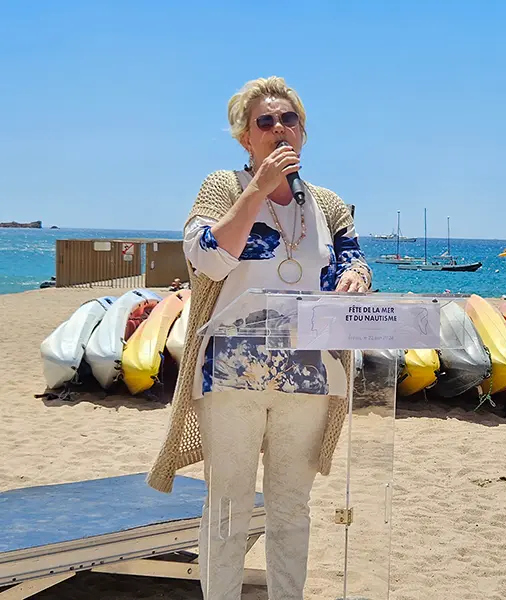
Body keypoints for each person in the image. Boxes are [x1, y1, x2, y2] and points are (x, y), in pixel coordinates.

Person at [147, 76, 372, 599]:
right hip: (230, 373)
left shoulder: (329, 204)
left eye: (288, 119)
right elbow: (207, 258)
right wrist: (255, 190)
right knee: (228, 504)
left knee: (291, 504)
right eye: (264, 122)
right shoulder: (221, 188)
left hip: (309, 375)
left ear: (304, 132)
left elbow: (353, 258)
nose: (278, 128)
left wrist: (356, 277)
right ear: (245, 137)